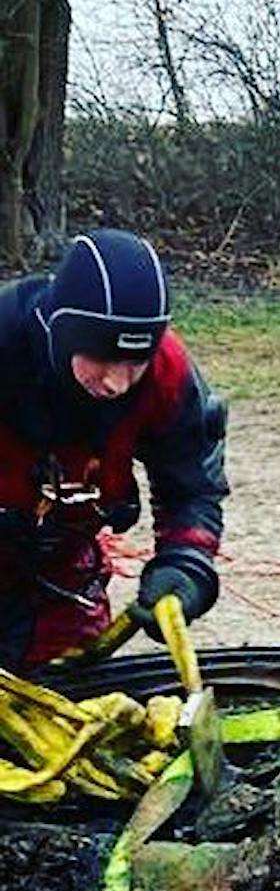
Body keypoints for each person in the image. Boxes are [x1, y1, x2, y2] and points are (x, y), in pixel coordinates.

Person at [0, 229, 227, 672]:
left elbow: (192, 483)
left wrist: (185, 563)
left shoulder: (165, 373)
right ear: (66, 334)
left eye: (134, 362)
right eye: (103, 357)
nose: (118, 383)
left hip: (60, 571)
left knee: (73, 698)